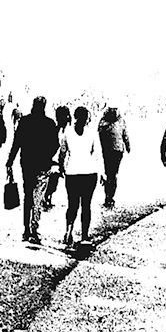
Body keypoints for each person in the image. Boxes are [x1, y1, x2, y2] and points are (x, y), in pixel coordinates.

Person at [6, 96, 58, 244]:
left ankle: (26, 230)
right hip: (43, 165)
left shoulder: (25, 121)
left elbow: (17, 142)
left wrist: (10, 161)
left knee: (28, 196)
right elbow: (55, 145)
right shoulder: (49, 123)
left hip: (27, 164)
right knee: (38, 198)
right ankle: (34, 229)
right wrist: (47, 154)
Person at [59, 105, 102, 247]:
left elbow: (63, 152)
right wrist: (102, 173)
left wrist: (61, 168)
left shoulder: (67, 132)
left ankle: (68, 231)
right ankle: (84, 236)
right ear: (87, 118)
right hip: (89, 173)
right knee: (86, 205)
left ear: (75, 117)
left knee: (72, 205)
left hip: (72, 173)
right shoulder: (92, 133)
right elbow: (97, 154)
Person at [98, 106, 130, 209]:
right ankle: (110, 197)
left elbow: (98, 134)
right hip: (117, 150)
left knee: (108, 173)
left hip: (106, 150)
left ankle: (108, 196)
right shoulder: (120, 121)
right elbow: (125, 135)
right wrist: (128, 146)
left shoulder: (103, 122)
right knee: (113, 174)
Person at [44, 105, 71, 210]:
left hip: (61, 160)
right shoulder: (55, 130)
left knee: (54, 180)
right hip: (54, 160)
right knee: (53, 180)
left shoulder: (67, 131)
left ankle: (48, 196)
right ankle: (47, 197)